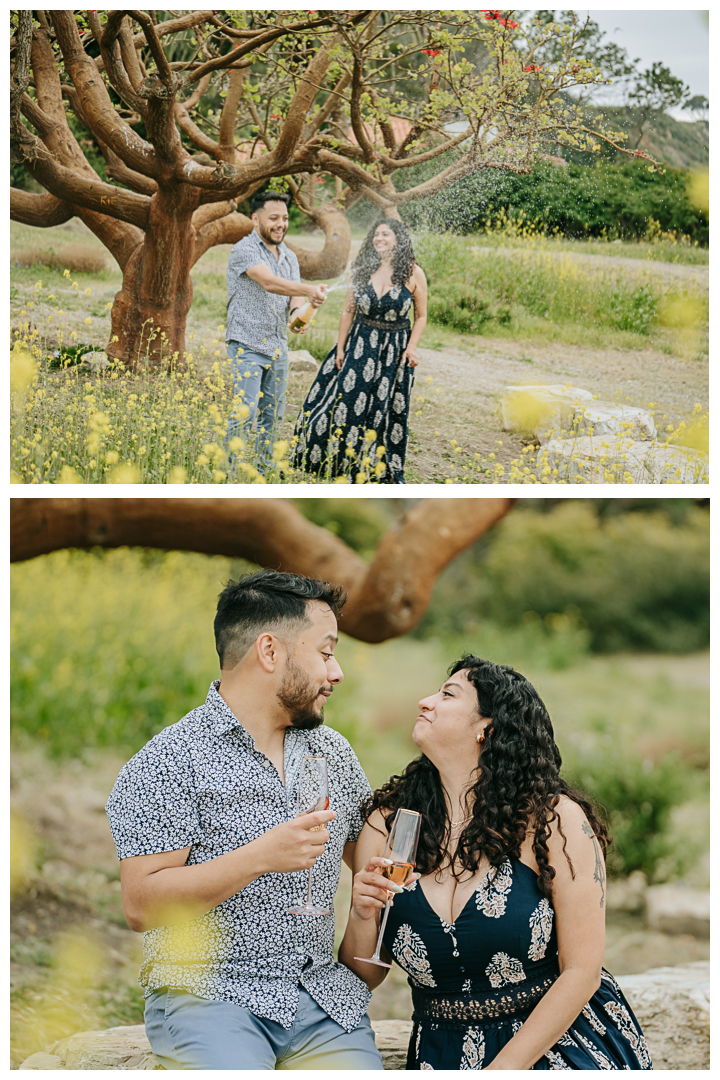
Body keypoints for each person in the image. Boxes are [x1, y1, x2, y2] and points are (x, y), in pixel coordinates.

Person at [105, 570, 383, 1071]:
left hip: (322, 1001)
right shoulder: (169, 760)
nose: (337, 671)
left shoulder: (333, 752)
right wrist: (259, 858)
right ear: (270, 651)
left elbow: (376, 860)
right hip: (209, 996)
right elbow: (140, 905)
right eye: (325, 652)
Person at [340, 656, 652, 1070]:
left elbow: (581, 973)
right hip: (440, 1052)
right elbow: (364, 976)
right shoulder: (387, 824)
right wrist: (363, 915)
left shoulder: (553, 820)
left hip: (554, 1044)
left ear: (486, 726)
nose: (425, 701)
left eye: (448, 694)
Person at [290, 217, 427, 484]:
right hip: (360, 344)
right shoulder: (362, 269)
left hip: (394, 350)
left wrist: (411, 348)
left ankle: (373, 468)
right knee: (346, 402)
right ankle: (334, 461)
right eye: (376, 234)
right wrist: (340, 348)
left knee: (384, 408)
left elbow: (420, 316)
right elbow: (348, 311)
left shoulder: (413, 272)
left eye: (386, 234)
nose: (379, 239)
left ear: (398, 239)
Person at [224, 192, 328, 474]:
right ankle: (227, 473)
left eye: (284, 218)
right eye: (273, 218)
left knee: (273, 414)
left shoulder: (290, 257)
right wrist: (309, 290)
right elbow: (269, 283)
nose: (281, 224)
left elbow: (292, 298)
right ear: (256, 219)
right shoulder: (244, 250)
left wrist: (300, 313)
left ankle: (263, 468)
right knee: (245, 412)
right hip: (246, 343)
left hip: (278, 347)